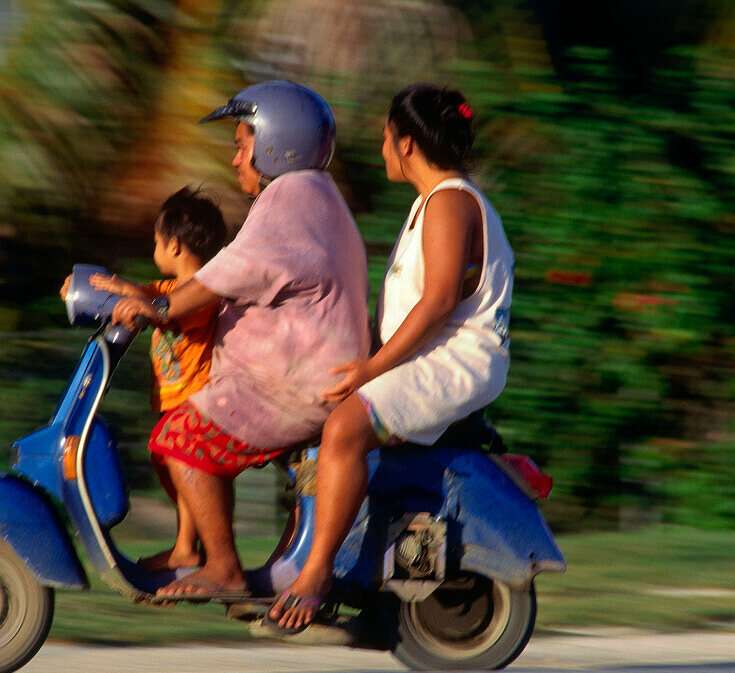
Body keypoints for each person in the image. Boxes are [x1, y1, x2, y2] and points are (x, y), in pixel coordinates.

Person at [266, 83, 515, 632]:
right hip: (432, 357)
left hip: (458, 363)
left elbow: (441, 300)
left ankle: (316, 575)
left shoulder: (451, 199)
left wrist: (370, 370)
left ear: (406, 143)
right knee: (315, 417)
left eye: (384, 139)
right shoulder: (431, 202)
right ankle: (353, 568)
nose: (380, 150)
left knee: (345, 429)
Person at [112, 80, 370, 599]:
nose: (235, 160)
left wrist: (158, 307)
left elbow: (226, 273)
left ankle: (223, 568)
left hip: (290, 386)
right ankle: (198, 553)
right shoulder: (313, 196)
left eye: (241, 144)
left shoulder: (289, 200)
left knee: (179, 437)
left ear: (276, 142)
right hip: (295, 377)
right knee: (189, 428)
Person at [70, 186, 227, 571]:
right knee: (166, 465)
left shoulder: (201, 292)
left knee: (184, 470)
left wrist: (145, 307)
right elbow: (143, 294)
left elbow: (163, 311)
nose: (152, 249)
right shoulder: (171, 289)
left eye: (155, 241)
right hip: (171, 403)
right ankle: (186, 545)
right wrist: (101, 288)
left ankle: (189, 548)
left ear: (173, 246)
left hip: (193, 402)